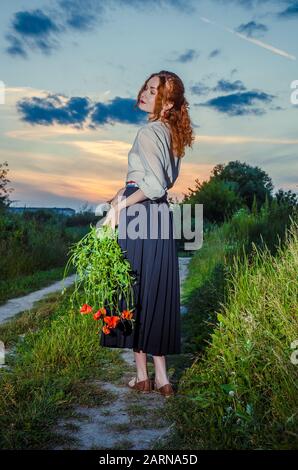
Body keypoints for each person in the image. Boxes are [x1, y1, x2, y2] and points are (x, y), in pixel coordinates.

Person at [100, 70, 195, 397]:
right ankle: (160, 379)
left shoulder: (149, 132)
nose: (144, 91)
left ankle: (143, 377)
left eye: (153, 90)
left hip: (139, 214)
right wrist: (122, 191)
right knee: (153, 293)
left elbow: (151, 185)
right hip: (159, 217)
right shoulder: (173, 134)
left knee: (132, 292)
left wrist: (119, 207)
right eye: (146, 86)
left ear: (167, 102)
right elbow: (155, 182)